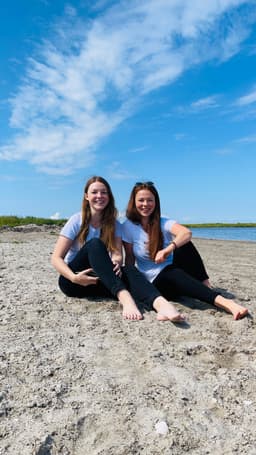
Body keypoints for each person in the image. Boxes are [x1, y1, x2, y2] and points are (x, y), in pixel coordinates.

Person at [51, 176, 186, 322]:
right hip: (74, 281)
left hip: (100, 279)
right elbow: (56, 258)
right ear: (86, 196)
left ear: (109, 196)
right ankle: (125, 299)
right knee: (95, 244)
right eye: (94, 192)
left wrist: (116, 261)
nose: (99, 196)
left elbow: (116, 254)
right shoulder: (77, 220)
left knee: (129, 270)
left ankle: (161, 306)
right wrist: (74, 277)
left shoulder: (114, 224)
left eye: (104, 192)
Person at [122, 181, 248, 321]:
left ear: (156, 202)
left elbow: (186, 233)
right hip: (157, 281)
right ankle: (226, 303)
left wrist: (167, 249)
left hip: (174, 269)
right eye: (141, 200)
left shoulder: (162, 222)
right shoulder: (128, 226)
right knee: (172, 273)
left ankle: (206, 285)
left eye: (150, 200)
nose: (145, 204)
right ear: (133, 202)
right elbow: (129, 258)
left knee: (184, 244)